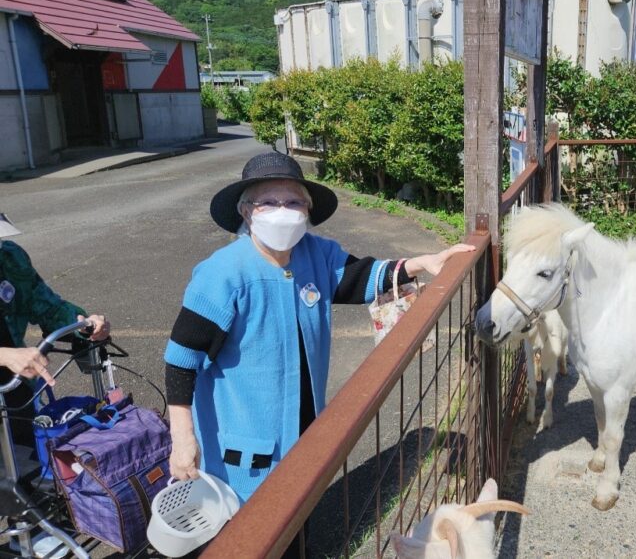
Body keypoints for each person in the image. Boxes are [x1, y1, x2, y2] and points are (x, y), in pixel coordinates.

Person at [164, 152, 474, 505]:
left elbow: (360, 278)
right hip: (243, 453)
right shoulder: (223, 275)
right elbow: (181, 359)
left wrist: (422, 263)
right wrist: (183, 438)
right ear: (246, 211)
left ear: (307, 211)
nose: (283, 210)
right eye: (268, 202)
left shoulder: (317, 254)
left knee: (299, 523)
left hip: (302, 431)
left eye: (294, 201)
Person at [0, 213, 111, 446]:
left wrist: (84, 323)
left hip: (15, 389)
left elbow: (47, 308)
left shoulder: (10, 258)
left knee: (30, 460)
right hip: (10, 369)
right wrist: (5, 355)